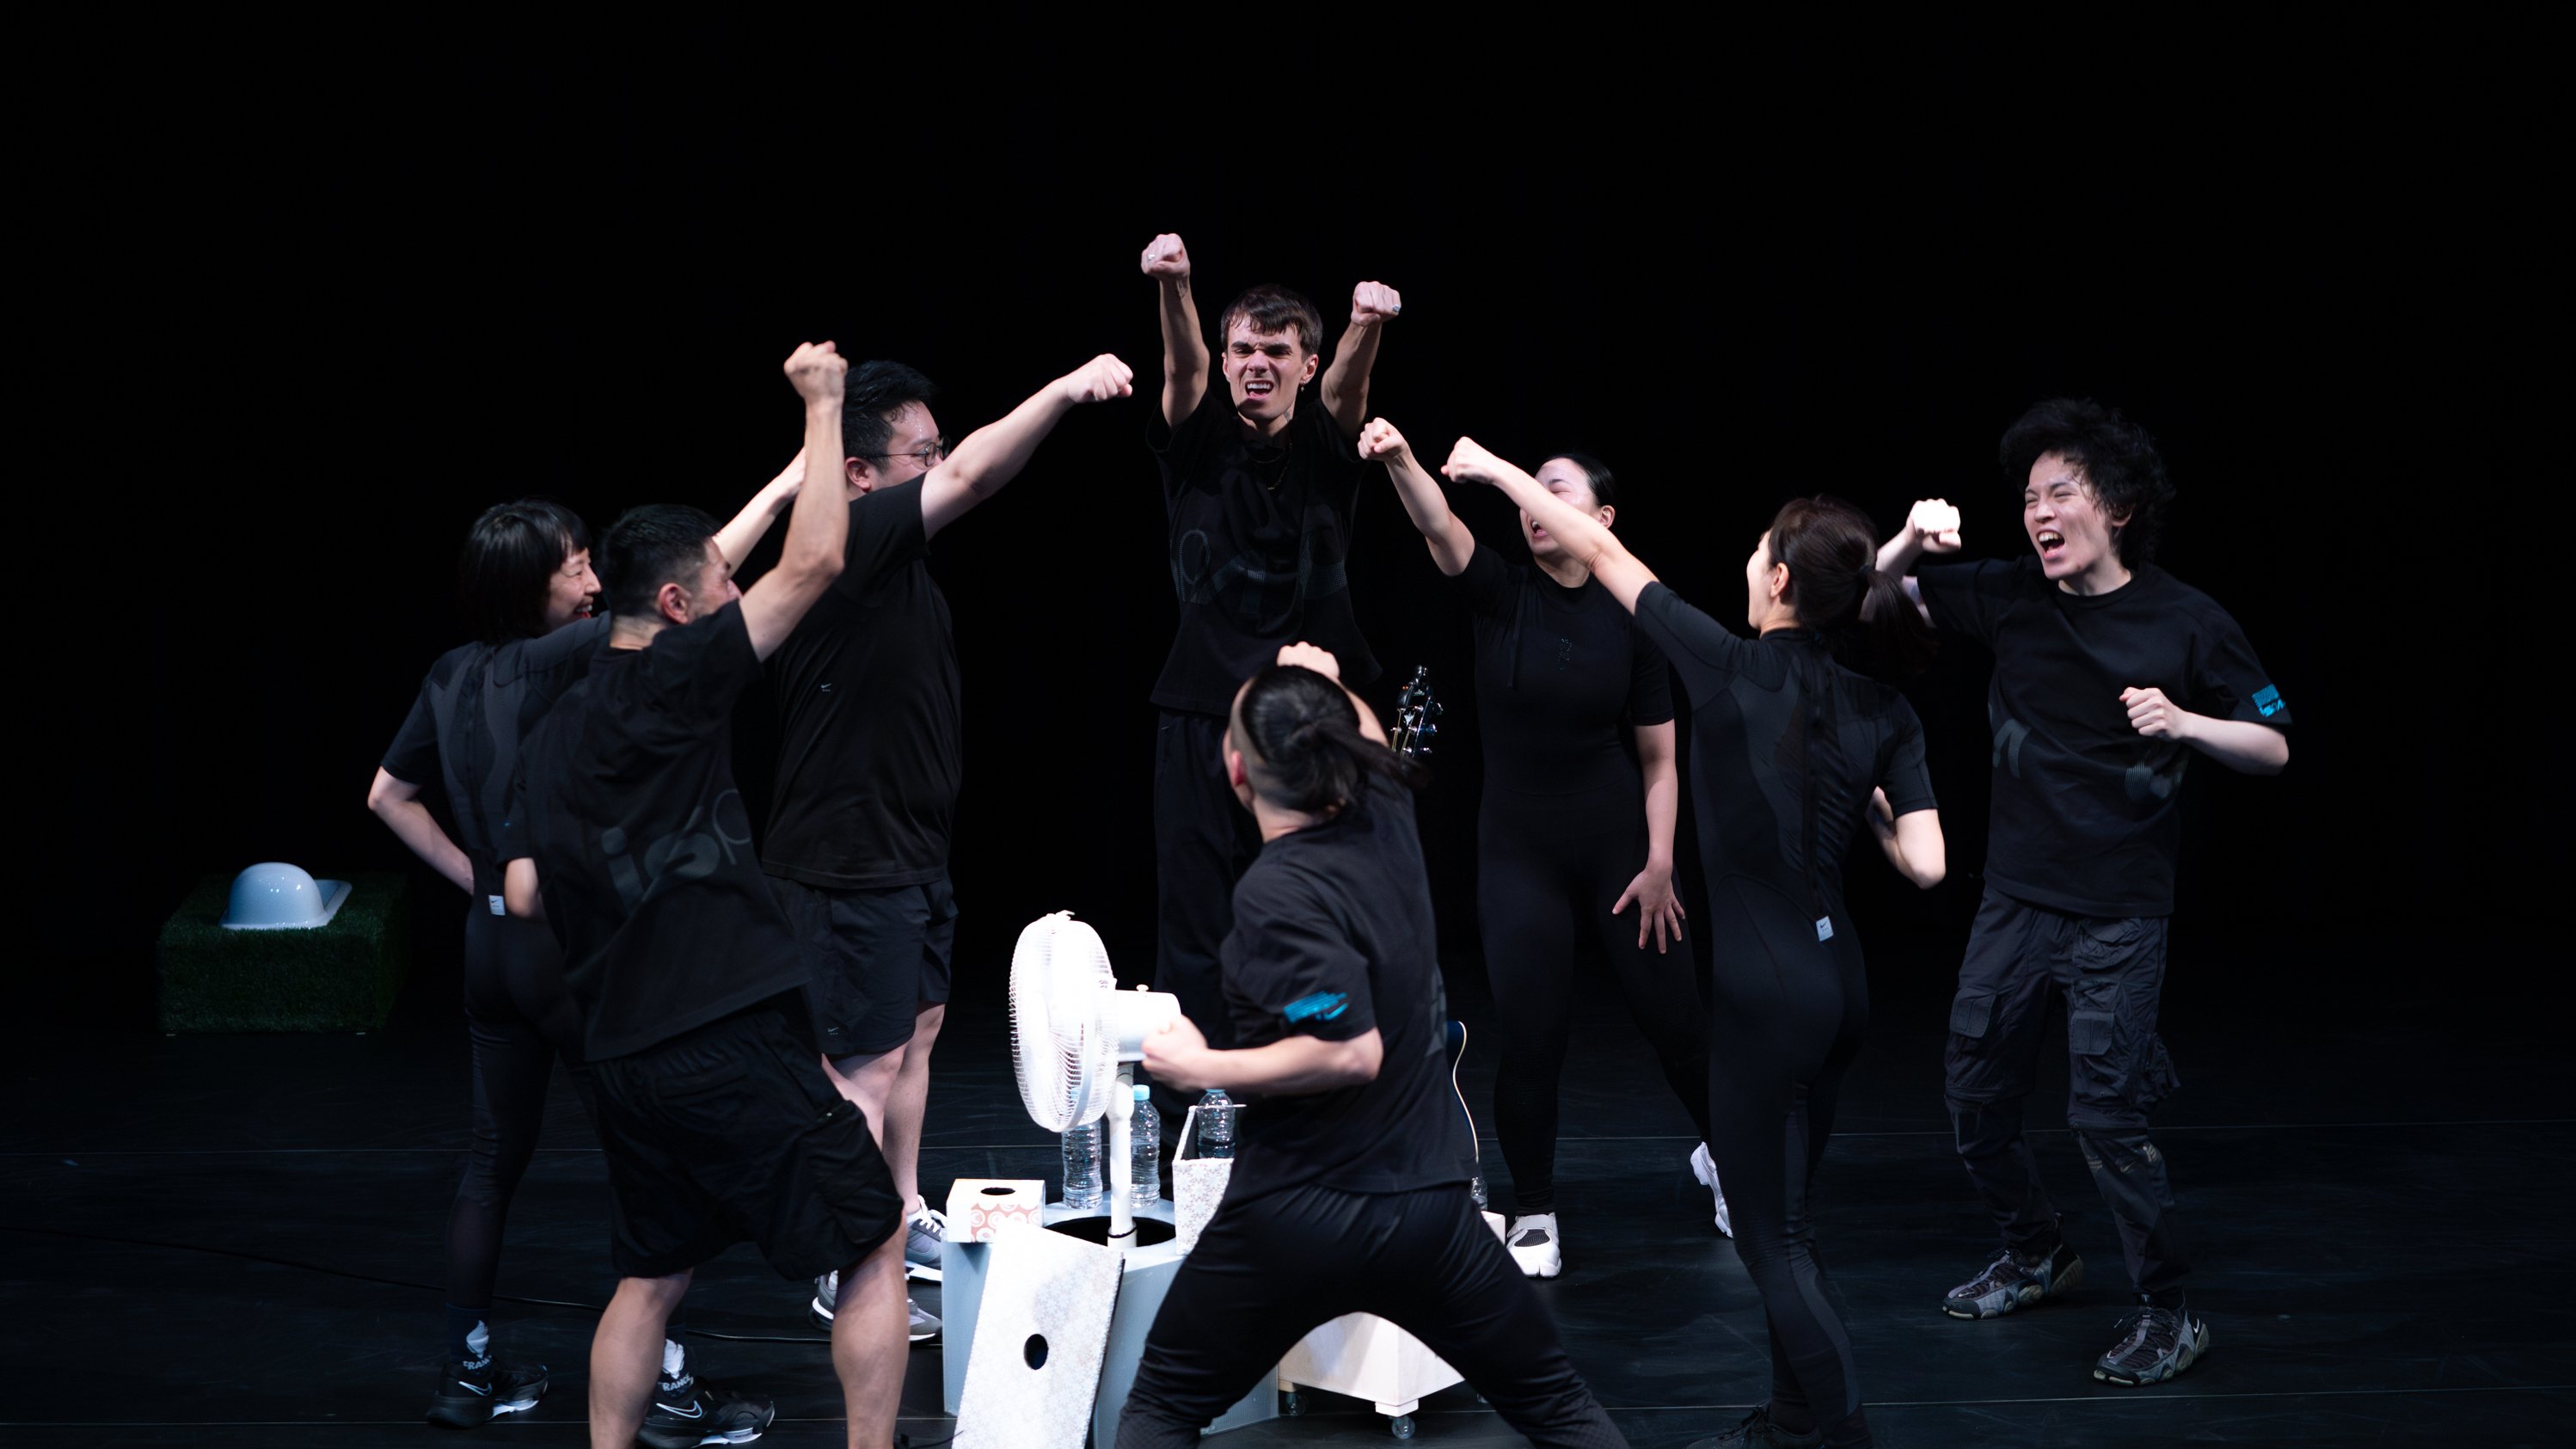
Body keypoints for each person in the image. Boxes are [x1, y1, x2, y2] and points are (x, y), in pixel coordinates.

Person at [1446, 439, 1947, 1449]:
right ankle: (1790, 1418)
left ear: (1773, 579)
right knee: (1790, 1220)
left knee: (1777, 1243)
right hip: (1840, 984)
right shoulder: (1881, 705)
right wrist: (1870, 812)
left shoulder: (1727, 666)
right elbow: (1928, 865)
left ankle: (1836, 1429)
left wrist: (1496, 473)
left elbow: (1600, 549)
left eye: (1759, 549)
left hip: (1767, 996)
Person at [501, 341, 911, 1449]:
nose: (739, 598)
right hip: (723, 1035)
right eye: (722, 591)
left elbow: (526, 895)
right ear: (681, 608)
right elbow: (816, 562)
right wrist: (824, 409)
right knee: (871, 1236)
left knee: (651, 1274)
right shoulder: (679, 676)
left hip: (620, 1052)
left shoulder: (553, 727)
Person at [371, 461, 806, 1432]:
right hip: (559, 954)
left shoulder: (448, 673)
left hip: (489, 951)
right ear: (539, 590)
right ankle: (667, 1386)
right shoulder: (570, 652)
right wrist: (780, 493)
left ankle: (466, 1370)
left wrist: (476, 883)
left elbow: (385, 796)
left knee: (491, 1160)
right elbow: (695, 582)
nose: (590, 577)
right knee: (644, 1161)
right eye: (573, 565)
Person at [1877, 398, 2291, 1388]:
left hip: (2118, 909)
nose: (2037, 512)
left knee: (2104, 1117)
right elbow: (1872, 606)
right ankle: (2035, 1250)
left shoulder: (2189, 620)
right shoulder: (2010, 593)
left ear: (2119, 505)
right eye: (2027, 497)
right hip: (2014, 899)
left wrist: (2188, 722)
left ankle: (2166, 1308)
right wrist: (1902, 541)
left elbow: (2274, 741)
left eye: (2059, 491)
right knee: (1972, 1096)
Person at [1120, 645, 1627, 1449]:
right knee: (1562, 1410)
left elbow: (1348, 1050)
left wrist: (1200, 1067)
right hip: (1427, 1213)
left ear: (1235, 772)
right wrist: (1321, 679)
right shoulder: (1389, 817)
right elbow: (1362, 734)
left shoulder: (1274, 892)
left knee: (1158, 1411)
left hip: (1294, 1215)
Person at [763, 353, 1134, 1343]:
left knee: (919, 1029)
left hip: (909, 852)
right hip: (846, 856)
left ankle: (896, 1212)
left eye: (934, 451)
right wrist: (1059, 389)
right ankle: (844, 1255)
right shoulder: (845, 540)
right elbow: (974, 476)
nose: (937, 469)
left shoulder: (898, 561)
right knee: (862, 1065)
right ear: (860, 472)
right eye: (917, 455)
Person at [1359, 418, 1717, 1275]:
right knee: (1529, 1034)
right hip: (1516, 849)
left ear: (1603, 516)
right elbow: (1438, 525)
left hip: (1623, 853)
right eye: (1531, 489)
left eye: (1555, 488)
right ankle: (1534, 1204)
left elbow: (1661, 754)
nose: (1534, 503)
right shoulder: (1499, 591)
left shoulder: (1631, 616)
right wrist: (1403, 460)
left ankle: (1726, 1161)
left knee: (1677, 1023)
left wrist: (1661, 859)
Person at [1136, 231, 1398, 1116]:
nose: (1254, 364)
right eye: (1242, 348)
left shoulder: (1327, 444)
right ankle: (1200, 1115)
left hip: (1306, 717)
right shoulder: (1201, 437)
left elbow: (1350, 389)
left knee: (1316, 903)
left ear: (1303, 362)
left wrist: (1365, 322)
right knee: (1196, 922)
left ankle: (1310, 1089)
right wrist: (1174, 284)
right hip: (1200, 712)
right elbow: (1178, 369)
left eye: (1273, 351)